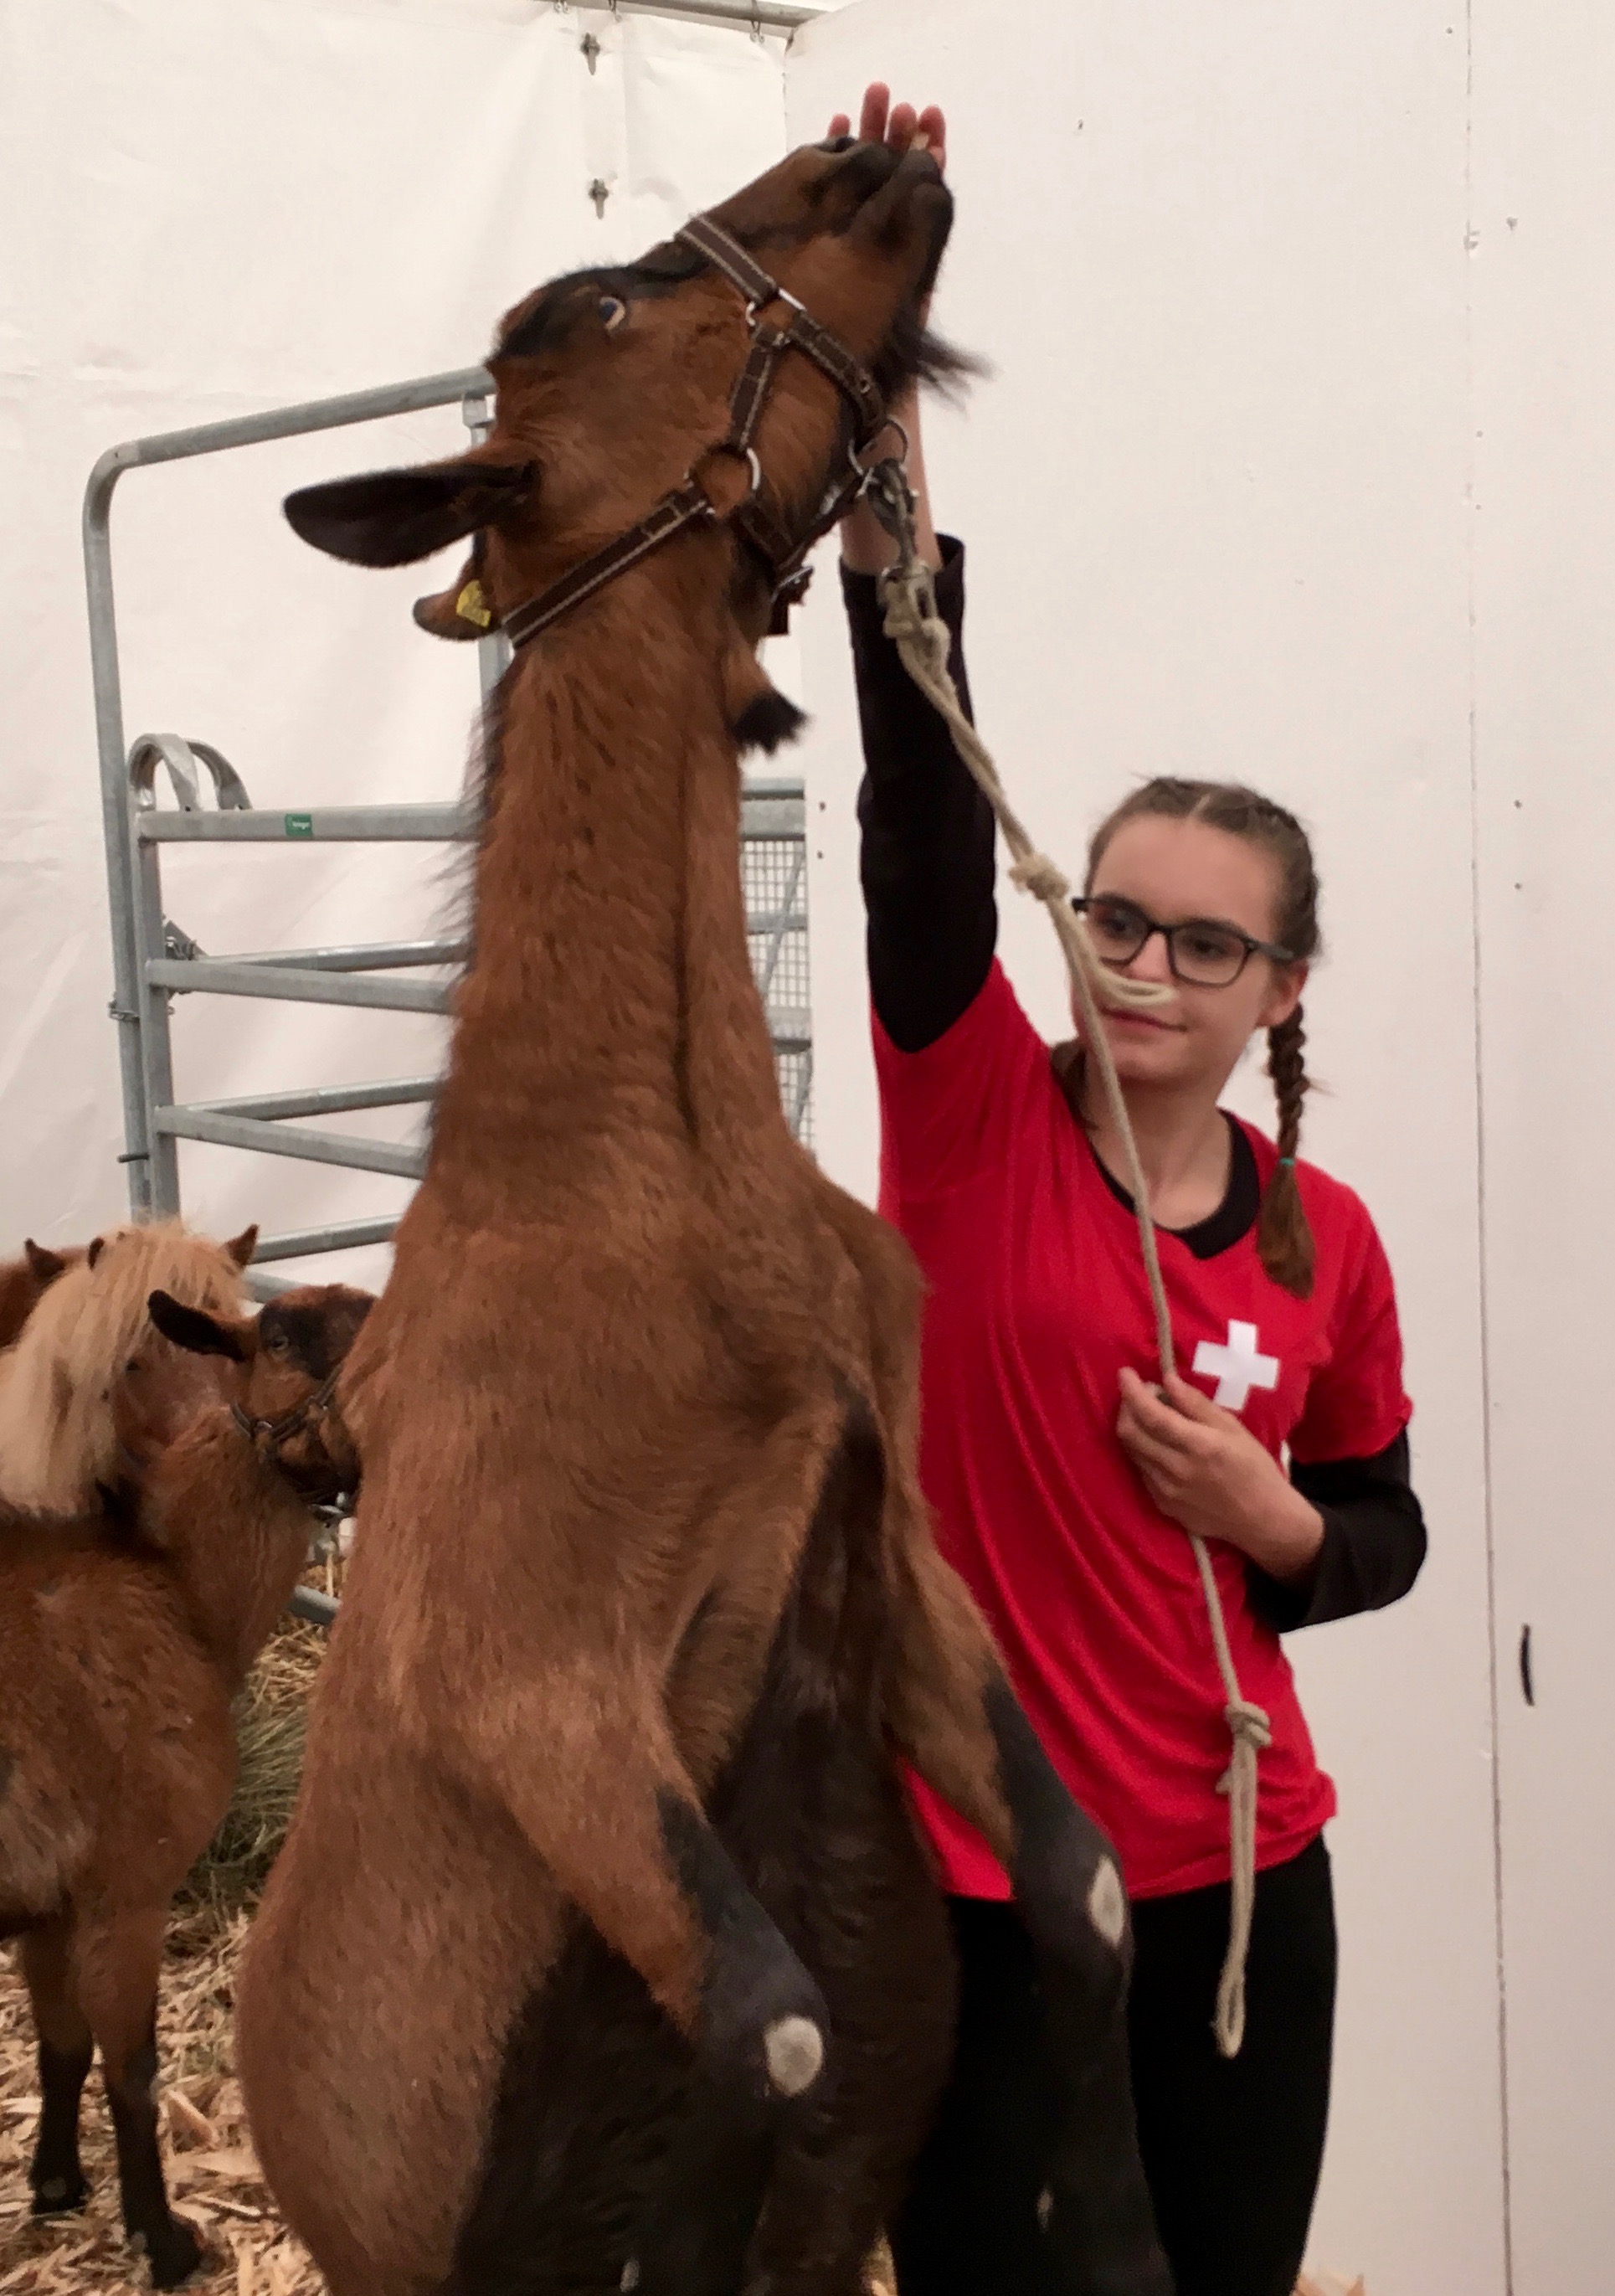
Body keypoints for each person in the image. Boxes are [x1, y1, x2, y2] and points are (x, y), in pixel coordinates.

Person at [828, 83, 1429, 2296]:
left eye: (1207, 940)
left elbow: (1376, 1529)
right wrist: (890, 412)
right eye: (1120, 917)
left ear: (1279, 978)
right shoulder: (966, 1102)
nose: (1150, 964)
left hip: (1242, 1868)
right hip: (978, 1877)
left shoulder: (1320, 1241)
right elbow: (913, 797)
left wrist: (1271, 1531)